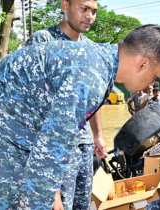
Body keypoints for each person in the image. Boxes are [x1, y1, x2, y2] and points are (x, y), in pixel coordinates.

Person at [0, 24, 160, 209]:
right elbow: (51, 151)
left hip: (9, 135)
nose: (150, 84)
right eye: (155, 77)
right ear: (143, 65)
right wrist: (44, 200)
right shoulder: (90, 77)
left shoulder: (97, 61)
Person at [25, 0, 103, 208]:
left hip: (84, 145)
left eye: (94, 12)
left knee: (81, 205)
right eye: (84, 9)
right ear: (65, 6)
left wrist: (98, 136)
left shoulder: (91, 49)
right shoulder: (43, 41)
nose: (90, 17)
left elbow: (92, 99)